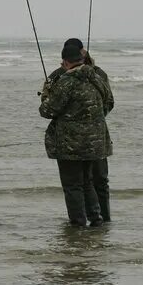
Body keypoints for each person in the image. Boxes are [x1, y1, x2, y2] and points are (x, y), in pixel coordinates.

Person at [40, 45, 113, 227]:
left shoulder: (66, 81)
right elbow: (108, 103)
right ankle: (96, 219)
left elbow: (47, 111)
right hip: (95, 143)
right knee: (88, 182)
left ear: (65, 62)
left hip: (70, 144)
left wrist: (47, 95)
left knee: (72, 185)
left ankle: (78, 223)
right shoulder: (97, 78)